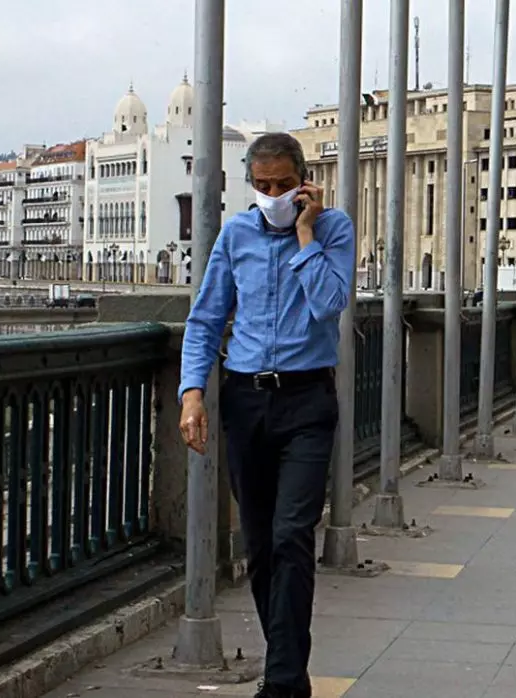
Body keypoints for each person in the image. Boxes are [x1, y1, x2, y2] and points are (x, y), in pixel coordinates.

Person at [178, 132, 355, 698]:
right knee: (258, 545)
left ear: (303, 181)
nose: (272, 194)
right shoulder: (236, 236)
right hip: (246, 399)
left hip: (307, 401)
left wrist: (304, 234)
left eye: (282, 185)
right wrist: (192, 393)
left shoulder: (335, 230)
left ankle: (279, 682)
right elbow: (206, 320)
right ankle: (290, 672)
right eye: (262, 186)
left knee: (291, 536)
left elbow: (330, 304)